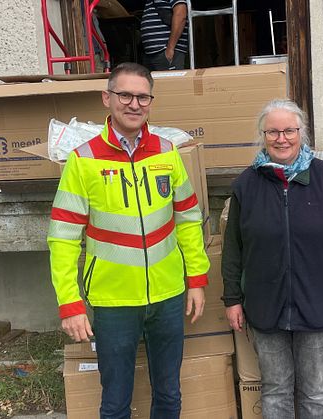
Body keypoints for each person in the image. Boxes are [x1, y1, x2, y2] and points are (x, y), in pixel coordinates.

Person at [47, 62, 209, 419]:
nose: (134, 104)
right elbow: (62, 238)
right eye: (125, 95)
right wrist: (70, 303)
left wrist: (196, 280)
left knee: (169, 395)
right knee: (115, 402)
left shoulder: (168, 153)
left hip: (168, 296)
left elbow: (188, 219)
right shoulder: (83, 160)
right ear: (107, 98)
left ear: (151, 101)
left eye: (142, 97)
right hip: (113, 300)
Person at [222, 99, 323, 419]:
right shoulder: (246, 185)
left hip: (317, 303)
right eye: (273, 131)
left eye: (289, 130)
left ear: (302, 133)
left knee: (314, 393)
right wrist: (232, 298)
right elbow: (234, 248)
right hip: (265, 305)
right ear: (263, 135)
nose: (281, 138)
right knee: (275, 390)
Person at [141, 0, 188, 71]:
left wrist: (170, 49)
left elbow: (180, 14)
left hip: (165, 52)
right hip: (155, 54)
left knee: (170, 81)